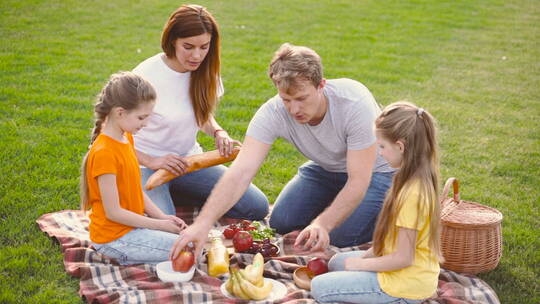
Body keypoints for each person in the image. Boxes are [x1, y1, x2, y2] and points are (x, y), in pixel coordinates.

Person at [170, 43, 394, 261]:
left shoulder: (353, 102)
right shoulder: (273, 112)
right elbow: (240, 173)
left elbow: (358, 180)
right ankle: (339, 204)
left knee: (340, 236)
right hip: (326, 168)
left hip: (377, 171)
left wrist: (322, 224)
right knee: (282, 220)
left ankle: (396, 205)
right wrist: (203, 224)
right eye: (286, 99)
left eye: (302, 98)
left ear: (321, 85)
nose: (294, 109)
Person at [132, 4, 268, 219]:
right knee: (167, 227)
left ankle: (177, 191)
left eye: (204, 47)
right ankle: (158, 194)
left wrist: (218, 132)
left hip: (188, 162)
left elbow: (198, 113)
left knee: (256, 206)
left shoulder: (206, 73)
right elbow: (108, 134)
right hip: (144, 166)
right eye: (188, 46)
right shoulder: (145, 77)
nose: (197, 55)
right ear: (172, 40)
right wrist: (151, 161)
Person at [311, 102, 442, 303]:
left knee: (319, 288)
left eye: (382, 146)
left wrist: (359, 266)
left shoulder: (413, 194)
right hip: (404, 272)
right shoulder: (409, 179)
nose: (379, 152)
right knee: (337, 262)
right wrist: (364, 259)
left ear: (400, 146)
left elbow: (403, 258)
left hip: (404, 285)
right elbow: (392, 241)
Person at [80, 72, 186, 265]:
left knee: (188, 243)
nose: (145, 124)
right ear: (120, 112)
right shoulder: (105, 153)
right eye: (141, 117)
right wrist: (159, 225)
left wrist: (163, 217)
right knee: (187, 249)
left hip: (131, 228)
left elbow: (135, 190)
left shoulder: (125, 137)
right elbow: (113, 213)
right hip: (113, 239)